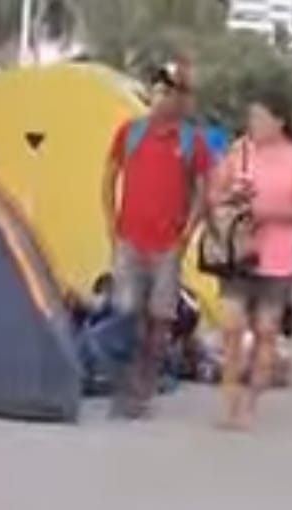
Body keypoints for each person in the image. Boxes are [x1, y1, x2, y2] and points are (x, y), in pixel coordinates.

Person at [102, 61, 210, 418]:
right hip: (129, 240)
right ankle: (125, 385)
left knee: (160, 319)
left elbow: (203, 191)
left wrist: (186, 235)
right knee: (125, 312)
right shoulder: (129, 132)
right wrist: (111, 223)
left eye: (172, 91)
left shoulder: (191, 141)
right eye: (159, 90)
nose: (163, 97)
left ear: (182, 99)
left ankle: (145, 387)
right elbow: (109, 175)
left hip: (167, 246)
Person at [209, 90, 292, 429]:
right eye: (251, 117)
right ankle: (229, 400)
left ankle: (251, 404)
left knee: (266, 332)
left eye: (260, 118)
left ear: (279, 122)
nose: (253, 124)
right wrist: (230, 202)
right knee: (231, 327)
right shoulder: (239, 151)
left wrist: (268, 212)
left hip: (278, 259)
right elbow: (214, 192)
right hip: (239, 253)